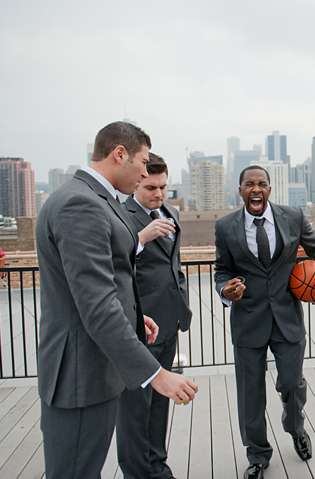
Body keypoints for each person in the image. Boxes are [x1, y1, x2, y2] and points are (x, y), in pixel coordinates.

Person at [36, 121, 198, 478]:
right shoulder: (81, 205)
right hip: (81, 376)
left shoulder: (92, 199)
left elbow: (98, 284)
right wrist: (156, 374)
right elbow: (96, 306)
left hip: (92, 372)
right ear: (119, 154)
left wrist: (134, 316)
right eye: (141, 161)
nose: (144, 170)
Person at [214, 165, 315, 479]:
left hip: (287, 317)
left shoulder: (294, 216)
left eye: (261, 184)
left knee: (292, 383)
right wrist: (225, 289)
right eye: (249, 184)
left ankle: (295, 426)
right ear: (241, 190)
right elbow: (221, 270)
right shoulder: (225, 226)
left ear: (270, 189)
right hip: (248, 319)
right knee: (251, 394)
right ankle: (258, 455)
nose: (255, 189)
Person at [117, 152, 194, 479]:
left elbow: (171, 264)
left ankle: (158, 466)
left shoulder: (172, 211)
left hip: (170, 322)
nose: (158, 194)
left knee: (161, 401)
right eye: (151, 187)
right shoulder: (122, 217)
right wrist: (141, 238)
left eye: (163, 186)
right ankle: (137, 472)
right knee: (135, 409)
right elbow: (113, 264)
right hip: (140, 327)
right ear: (137, 183)